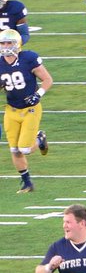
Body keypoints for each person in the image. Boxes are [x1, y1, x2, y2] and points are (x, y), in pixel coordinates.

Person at [2, 28, 50, 193]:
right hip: (11, 110)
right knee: (14, 149)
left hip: (30, 109)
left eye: (9, 42)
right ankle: (27, 182)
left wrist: (38, 94)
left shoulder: (28, 58)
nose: (6, 46)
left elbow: (47, 79)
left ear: (17, 44)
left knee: (25, 149)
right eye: (3, 42)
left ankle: (39, 139)